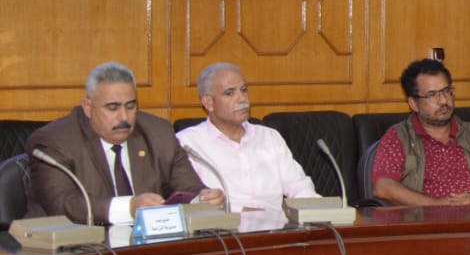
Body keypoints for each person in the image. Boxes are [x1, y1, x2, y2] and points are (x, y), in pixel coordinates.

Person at [25, 61, 224, 224]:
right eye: (112, 108)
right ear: (88, 107)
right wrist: (129, 208)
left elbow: (187, 187)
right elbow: (63, 204)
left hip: (145, 247)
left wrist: (202, 198)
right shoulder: (54, 141)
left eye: (130, 106)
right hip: (71, 248)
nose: (124, 117)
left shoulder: (159, 133)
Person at [177, 63, 319, 231]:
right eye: (230, 93)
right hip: (224, 236)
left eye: (244, 90)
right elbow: (187, 200)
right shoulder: (188, 143)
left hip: (277, 233)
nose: (242, 99)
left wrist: (318, 214)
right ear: (209, 103)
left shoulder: (269, 137)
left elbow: (298, 185)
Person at [370, 58, 470, 205]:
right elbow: (383, 187)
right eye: (432, 94)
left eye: (446, 91)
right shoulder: (398, 136)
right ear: (413, 103)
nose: (443, 101)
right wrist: (437, 205)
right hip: (422, 217)